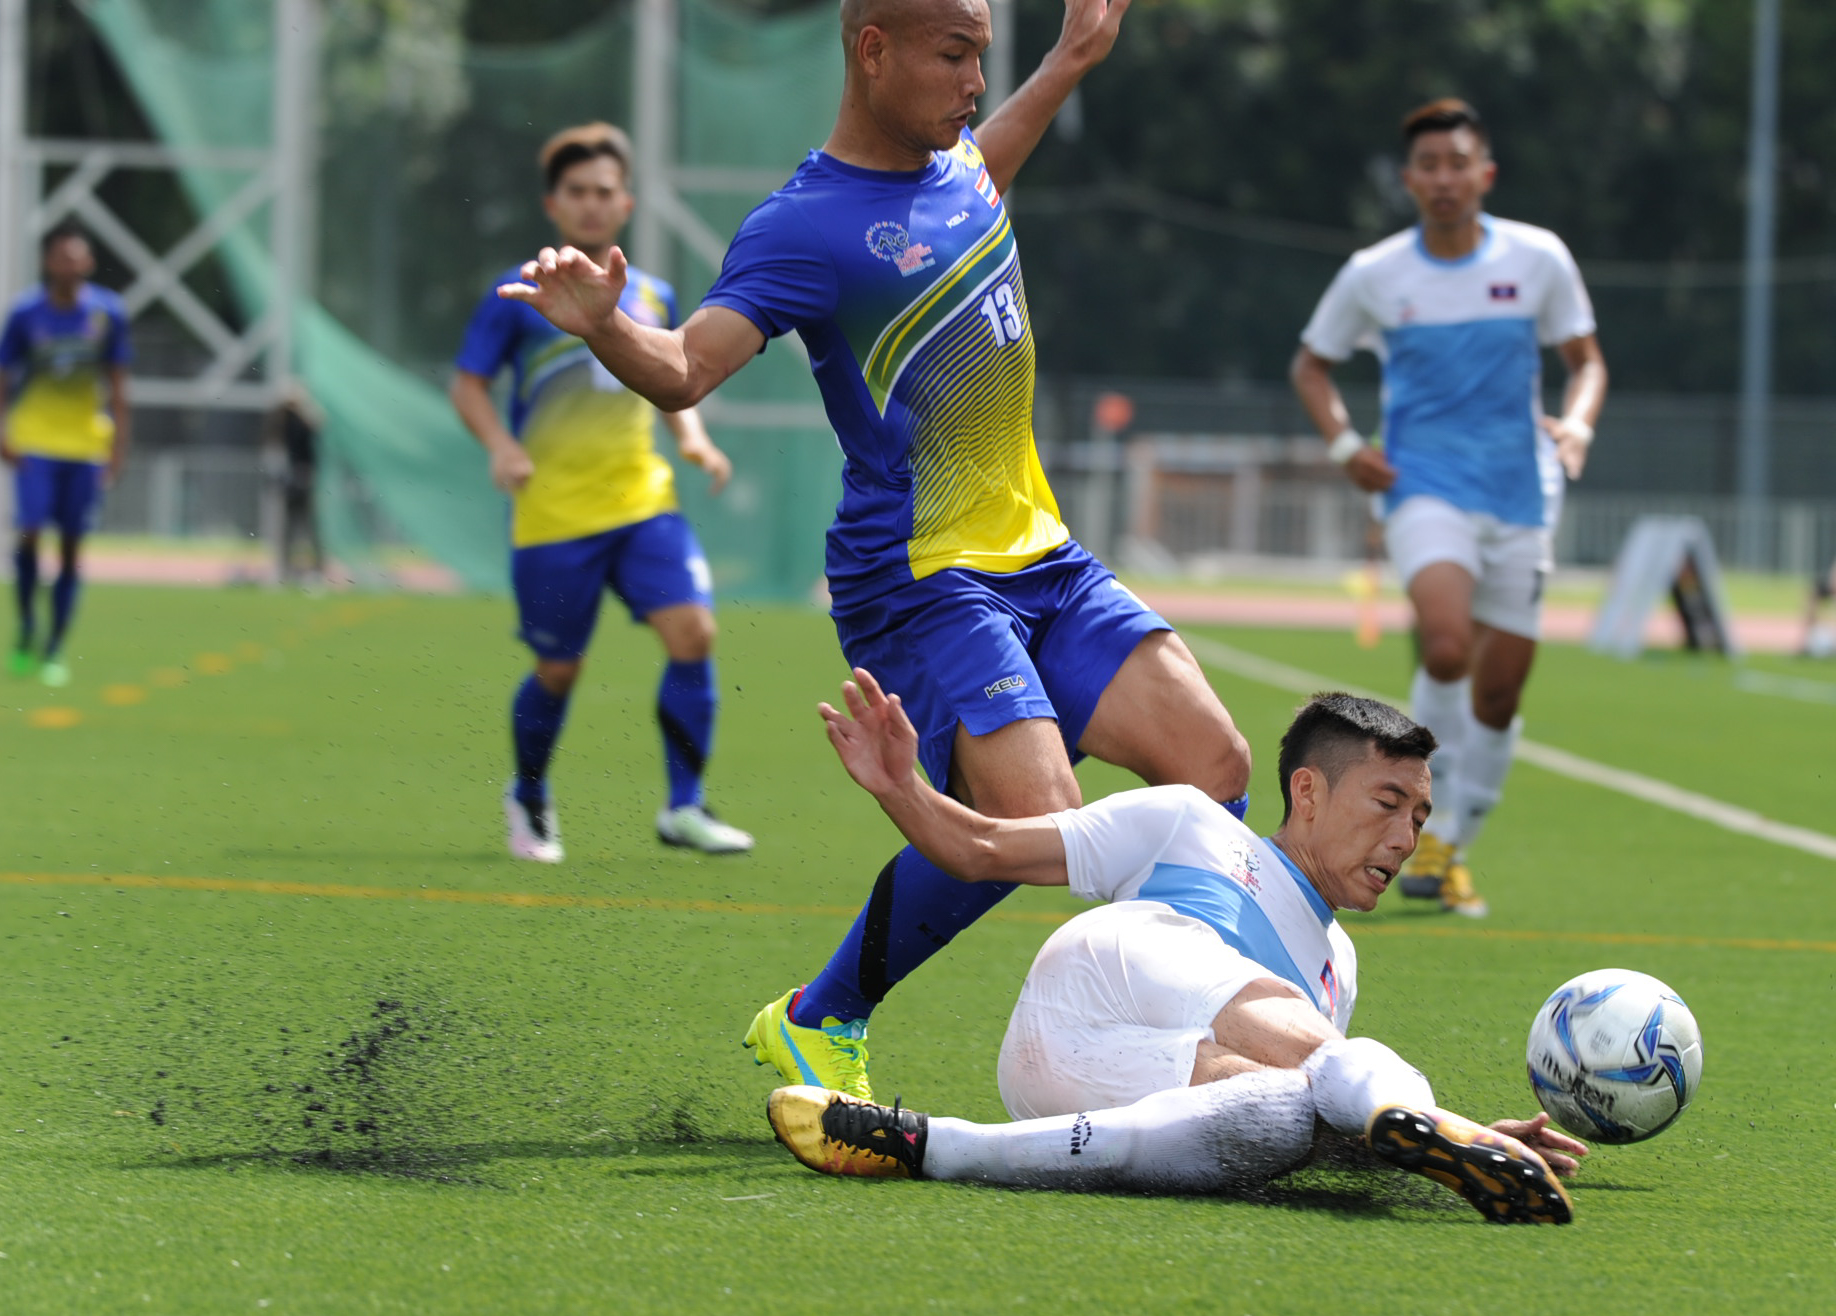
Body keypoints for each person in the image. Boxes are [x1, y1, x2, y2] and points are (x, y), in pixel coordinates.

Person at [500, 0, 1251, 1099]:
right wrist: (606, 322)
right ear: (873, 50)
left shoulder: (961, 173)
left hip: (1039, 551)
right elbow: (684, 368)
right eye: (955, 56)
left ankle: (1174, 1015)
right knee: (1039, 823)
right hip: (924, 573)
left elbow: (990, 163)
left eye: (982, 59)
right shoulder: (800, 227)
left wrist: (1069, 59)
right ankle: (832, 1015)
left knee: (1214, 768)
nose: (973, 84)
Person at [767, 671, 1586, 1225]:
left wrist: (1481, 1131)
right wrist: (901, 787)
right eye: (1388, 802)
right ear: (1308, 790)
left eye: (1420, 816)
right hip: (1107, 978)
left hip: (1088, 1095)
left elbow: (1345, 1121)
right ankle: (1441, 1127)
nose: (1407, 836)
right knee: (1309, 1049)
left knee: (1284, 1117)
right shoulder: (1187, 822)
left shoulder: (1342, 968)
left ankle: (924, 1143)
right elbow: (984, 850)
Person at [1290, 99, 1608, 918]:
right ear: (1409, 180)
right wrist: (1343, 446)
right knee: (1444, 642)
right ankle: (1419, 822)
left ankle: (1454, 842)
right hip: (1424, 486)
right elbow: (1312, 368)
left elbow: (1586, 361)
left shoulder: (1538, 259)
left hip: (1520, 494)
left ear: (1484, 174)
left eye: (1457, 164)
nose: (1443, 179)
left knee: (1499, 694)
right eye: (1428, 167)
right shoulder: (1377, 272)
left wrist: (1576, 424)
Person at [452, 121, 752, 862]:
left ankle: (684, 806)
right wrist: (502, 445)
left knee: (696, 634)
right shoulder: (523, 291)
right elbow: (467, 384)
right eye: (577, 192)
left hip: (642, 504)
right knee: (559, 670)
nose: (591, 205)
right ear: (554, 204)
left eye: (604, 193)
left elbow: (673, 375)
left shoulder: (649, 292)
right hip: (554, 515)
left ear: (626, 205)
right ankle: (528, 795)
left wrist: (693, 439)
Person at [1, 220, 131, 688]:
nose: (70, 264)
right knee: (30, 533)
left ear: (90, 262)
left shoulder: (108, 313)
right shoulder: (24, 314)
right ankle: (26, 628)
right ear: (47, 262)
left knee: (73, 548)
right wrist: (3, 434)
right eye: (62, 256)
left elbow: (118, 386)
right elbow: (3, 377)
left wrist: (118, 448)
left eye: (78, 256)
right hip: (34, 441)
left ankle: (55, 646)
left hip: (85, 445)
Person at [263, 381, 324, 587]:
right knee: (288, 527)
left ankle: (315, 570)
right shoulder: (280, 422)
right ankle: (285, 570)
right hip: (289, 477)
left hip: (303, 476)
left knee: (307, 527)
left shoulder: (302, 421)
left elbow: (318, 425)